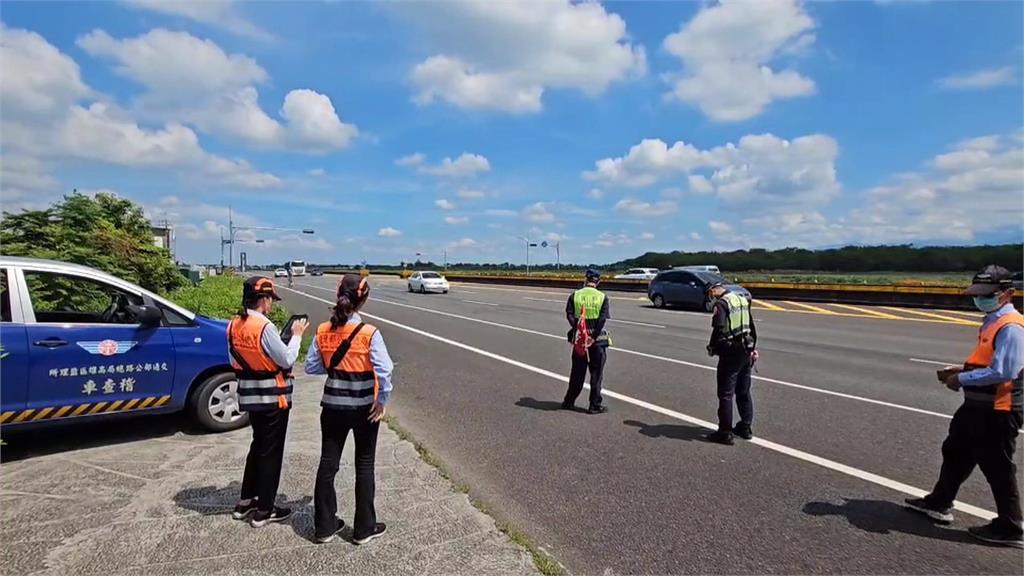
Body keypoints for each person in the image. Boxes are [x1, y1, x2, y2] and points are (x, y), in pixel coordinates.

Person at [905, 265, 1023, 548]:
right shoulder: (993, 320)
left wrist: (960, 378)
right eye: (977, 294)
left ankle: (1012, 526)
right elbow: (990, 363)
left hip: (998, 409)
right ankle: (940, 501)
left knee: (997, 467)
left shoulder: (1011, 327)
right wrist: (960, 369)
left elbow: (1005, 371)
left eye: (986, 294)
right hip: (977, 407)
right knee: (955, 451)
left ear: (1007, 293)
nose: (979, 299)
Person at [305, 274, 393, 545]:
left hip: (332, 407)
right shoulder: (369, 333)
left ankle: (324, 527)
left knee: (328, 464)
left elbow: (311, 366)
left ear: (339, 295)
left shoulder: (323, 330)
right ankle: (364, 529)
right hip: (365, 408)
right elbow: (385, 369)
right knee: (364, 465)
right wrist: (382, 400)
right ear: (363, 300)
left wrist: (334, 368)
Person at [229, 276, 308, 527]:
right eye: (271, 299)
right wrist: (296, 336)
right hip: (273, 398)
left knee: (258, 446)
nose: (271, 304)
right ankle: (265, 509)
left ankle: (245, 502)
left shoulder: (234, 325)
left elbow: (238, 357)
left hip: (249, 396)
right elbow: (286, 359)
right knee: (271, 453)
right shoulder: (264, 326)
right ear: (263, 300)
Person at [704, 281, 758, 445]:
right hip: (745, 350)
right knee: (743, 391)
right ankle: (745, 427)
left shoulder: (722, 304)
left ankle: (725, 432)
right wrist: (752, 349)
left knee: (726, 394)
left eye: (709, 293)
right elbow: (752, 327)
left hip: (730, 351)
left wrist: (712, 347)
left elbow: (718, 328)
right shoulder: (741, 299)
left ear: (714, 290)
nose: (710, 296)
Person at [562, 269, 610, 414]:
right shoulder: (602, 297)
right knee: (596, 374)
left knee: (577, 372)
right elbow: (602, 319)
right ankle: (594, 405)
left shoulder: (575, 295)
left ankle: (569, 401)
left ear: (585, 279)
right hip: (596, 342)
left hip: (579, 341)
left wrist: (579, 330)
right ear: (598, 281)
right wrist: (593, 336)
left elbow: (569, 314)